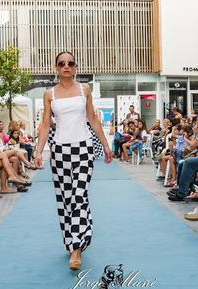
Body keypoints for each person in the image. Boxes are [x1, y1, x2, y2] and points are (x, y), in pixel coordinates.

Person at [35, 51, 112, 270]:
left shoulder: (84, 90)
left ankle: (76, 249)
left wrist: (105, 145)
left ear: (75, 67)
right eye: (62, 63)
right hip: (59, 150)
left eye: (70, 63)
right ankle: (72, 240)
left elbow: (93, 119)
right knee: (65, 198)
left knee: (79, 194)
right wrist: (39, 152)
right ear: (56, 68)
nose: (66, 66)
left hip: (83, 147)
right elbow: (44, 125)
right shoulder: (49, 94)